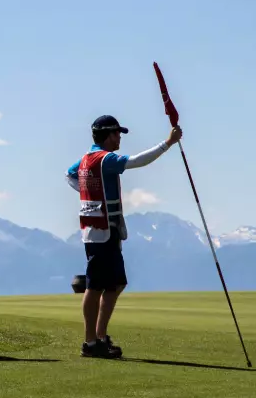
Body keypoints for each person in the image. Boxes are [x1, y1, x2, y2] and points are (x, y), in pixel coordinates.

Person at [66, 115, 182, 358]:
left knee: (116, 283)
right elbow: (137, 161)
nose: (120, 138)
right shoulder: (105, 159)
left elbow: (70, 175)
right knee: (96, 286)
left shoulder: (87, 160)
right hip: (101, 232)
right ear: (108, 135)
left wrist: (87, 193)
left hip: (104, 230)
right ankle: (91, 342)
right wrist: (168, 143)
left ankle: (99, 336)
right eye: (117, 134)